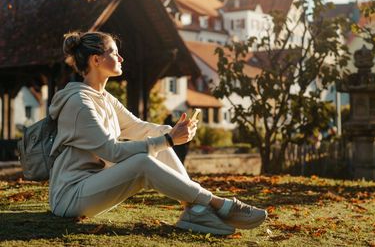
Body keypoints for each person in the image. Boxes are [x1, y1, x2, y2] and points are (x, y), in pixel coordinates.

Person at [48, 31, 267, 235]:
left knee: (159, 137)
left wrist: (172, 132)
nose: (121, 58)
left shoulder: (104, 98)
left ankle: (196, 211)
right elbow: (112, 151)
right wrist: (169, 140)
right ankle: (217, 204)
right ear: (96, 60)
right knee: (143, 161)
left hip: (94, 186)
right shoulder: (79, 103)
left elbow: (139, 128)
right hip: (70, 197)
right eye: (114, 52)